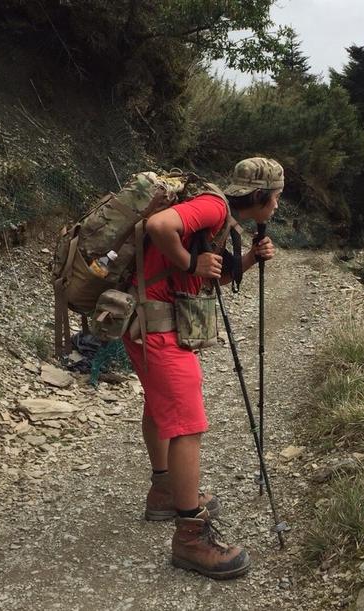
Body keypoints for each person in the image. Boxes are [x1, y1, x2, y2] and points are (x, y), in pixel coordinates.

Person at [122, 157, 283, 580]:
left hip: (142, 319)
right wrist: (189, 263)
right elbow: (161, 231)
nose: (278, 207)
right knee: (188, 424)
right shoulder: (213, 208)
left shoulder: (220, 217)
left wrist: (247, 259)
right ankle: (191, 538)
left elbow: (210, 276)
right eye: (277, 198)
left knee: (160, 407)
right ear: (262, 196)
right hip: (159, 324)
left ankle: (164, 490)